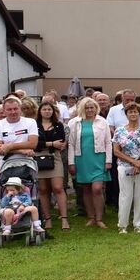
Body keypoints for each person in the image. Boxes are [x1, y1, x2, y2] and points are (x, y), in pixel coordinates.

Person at [112, 102, 140, 234]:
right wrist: (133, 162)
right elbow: (116, 151)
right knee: (126, 196)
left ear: (139, 113)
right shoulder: (119, 130)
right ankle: (123, 225)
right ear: (126, 114)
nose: (133, 114)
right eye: (130, 112)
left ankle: (138, 225)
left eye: (135, 112)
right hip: (124, 167)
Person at [67, 98, 112, 228]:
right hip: (81, 158)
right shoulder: (74, 123)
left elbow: (108, 142)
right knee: (86, 189)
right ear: (82, 109)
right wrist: (71, 163)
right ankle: (91, 217)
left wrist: (108, 160)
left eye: (92, 107)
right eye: (87, 108)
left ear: (96, 108)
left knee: (97, 189)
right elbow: (71, 143)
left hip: (98, 158)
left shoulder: (102, 121)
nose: (90, 110)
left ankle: (99, 218)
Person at [36, 101, 69, 230]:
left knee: (58, 187)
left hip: (55, 157)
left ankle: (64, 219)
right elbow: (34, 144)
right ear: (40, 111)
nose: (47, 111)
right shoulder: (35, 125)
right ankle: (47, 218)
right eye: (44, 109)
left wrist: (45, 143)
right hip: (38, 157)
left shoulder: (58, 125)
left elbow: (60, 143)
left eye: (49, 109)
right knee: (43, 190)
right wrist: (50, 143)